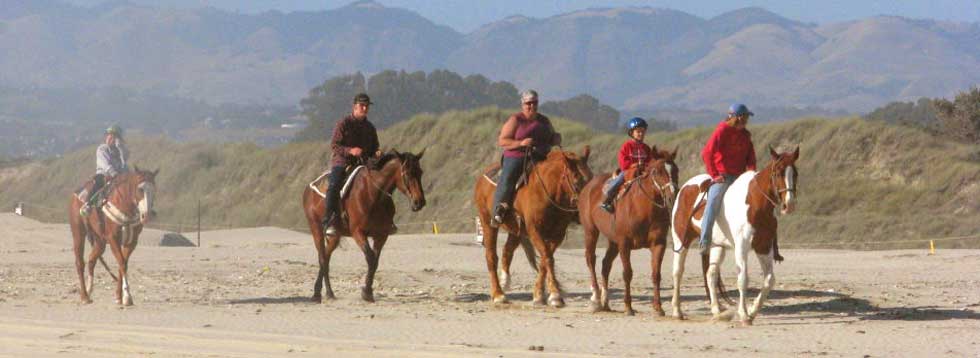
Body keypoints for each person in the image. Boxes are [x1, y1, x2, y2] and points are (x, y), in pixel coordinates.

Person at [490, 90, 562, 227]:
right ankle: (498, 211)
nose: (532, 106)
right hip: (517, 156)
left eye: (534, 103)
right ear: (523, 104)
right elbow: (502, 141)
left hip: (540, 155)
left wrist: (556, 138)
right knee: (508, 178)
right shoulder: (516, 120)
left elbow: (552, 136)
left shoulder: (544, 121)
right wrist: (520, 143)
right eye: (528, 103)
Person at [698, 103, 757, 254]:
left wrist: (751, 174)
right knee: (712, 202)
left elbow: (751, 157)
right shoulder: (722, 131)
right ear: (736, 117)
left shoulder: (746, 135)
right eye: (744, 117)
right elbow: (707, 153)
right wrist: (714, 175)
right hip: (723, 177)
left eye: (746, 118)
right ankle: (705, 240)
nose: (746, 120)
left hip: (740, 177)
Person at [322, 93, 380, 235]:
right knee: (334, 185)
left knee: (381, 183)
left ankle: (384, 220)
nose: (365, 108)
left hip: (364, 163)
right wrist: (350, 150)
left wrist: (377, 152)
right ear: (355, 107)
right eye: (362, 105)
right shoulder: (343, 123)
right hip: (343, 162)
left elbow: (375, 147)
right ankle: (329, 221)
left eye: (367, 106)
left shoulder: (370, 127)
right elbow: (335, 146)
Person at [600, 117, 653, 213]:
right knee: (619, 179)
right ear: (632, 133)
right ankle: (607, 200)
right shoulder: (626, 146)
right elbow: (623, 163)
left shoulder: (646, 148)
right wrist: (635, 165)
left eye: (643, 131)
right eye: (638, 131)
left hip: (643, 172)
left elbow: (650, 161)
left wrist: (646, 166)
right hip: (628, 171)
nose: (641, 134)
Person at [79, 125, 129, 216]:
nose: (111, 139)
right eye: (109, 136)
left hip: (119, 175)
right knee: (99, 183)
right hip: (104, 174)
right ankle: (88, 204)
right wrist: (113, 172)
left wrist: (120, 148)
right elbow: (105, 163)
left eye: (114, 137)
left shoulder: (120, 151)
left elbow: (124, 161)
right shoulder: (102, 148)